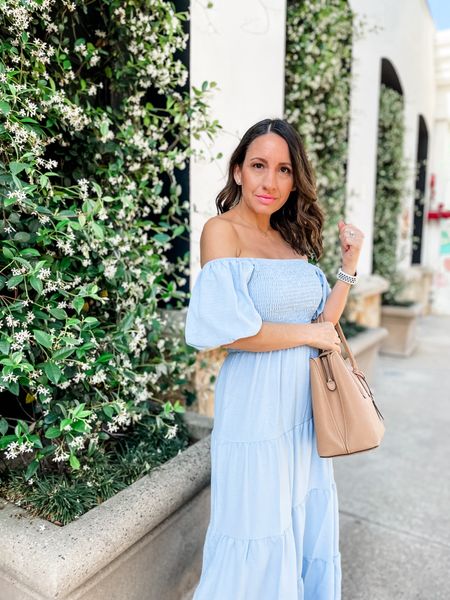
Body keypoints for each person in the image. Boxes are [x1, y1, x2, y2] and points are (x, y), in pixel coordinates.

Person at [184, 118, 364, 600]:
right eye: (259, 165)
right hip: (256, 406)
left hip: (303, 408)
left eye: (284, 169)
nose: (271, 181)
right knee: (255, 524)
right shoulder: (221, 233)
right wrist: (311, 333)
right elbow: (231, 334)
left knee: (298, 519)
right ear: (238, 171)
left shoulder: (290, 239)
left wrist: (347, 268)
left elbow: (325, 323)